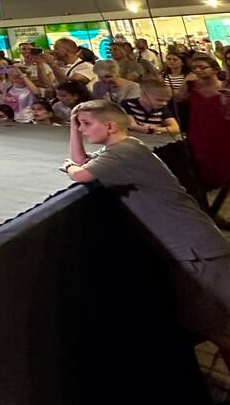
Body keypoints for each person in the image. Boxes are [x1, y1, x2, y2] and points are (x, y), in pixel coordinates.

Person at [63, 101, 230, 368]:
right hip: (189, 247)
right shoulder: (123, 149)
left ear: (110, 126)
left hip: (195, 251)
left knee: (220, 327)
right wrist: (73, 129)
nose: (82, 129)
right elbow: (83, 161)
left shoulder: (125, 152)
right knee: (213, 325)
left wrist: (69, 167)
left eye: (86, 124)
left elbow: (80, 172)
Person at [184, 54, 230, 196]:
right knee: (201, 157)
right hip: (198, 128)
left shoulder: (224, 86)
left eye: (202, 67)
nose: (198, 70)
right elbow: (177, 98)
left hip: (221, 128)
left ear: (214, 69)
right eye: (194, 68)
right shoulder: (191, 86)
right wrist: (185, 82)